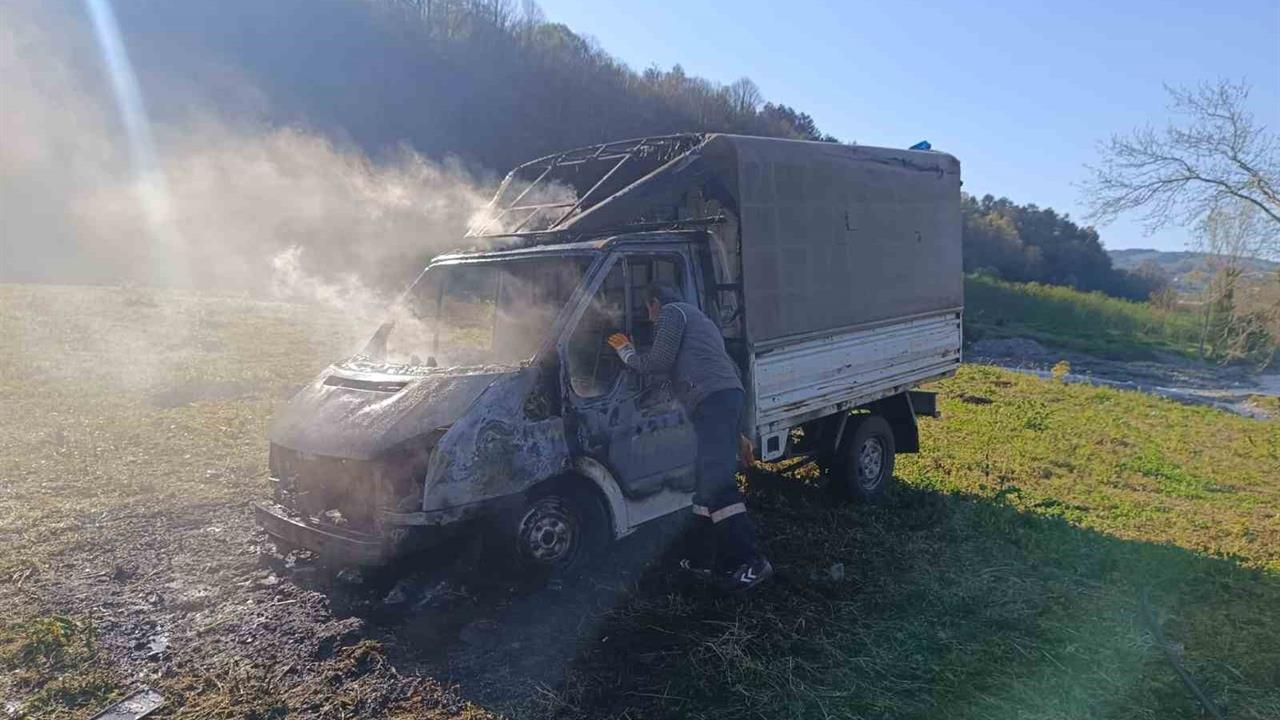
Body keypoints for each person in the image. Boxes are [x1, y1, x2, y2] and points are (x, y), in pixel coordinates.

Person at [607, 283, 773, 592]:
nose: (649, 317)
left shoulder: (673, 312)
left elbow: (658, 363)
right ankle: (700, 560)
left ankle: (752, 562)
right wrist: (736, 432)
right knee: (705, 484)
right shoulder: (702, 321)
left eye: (648, 309)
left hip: (713, 402)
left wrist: (626, 352)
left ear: (655, 302)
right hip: (723, 400)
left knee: (718, 484)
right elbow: (722, 371)